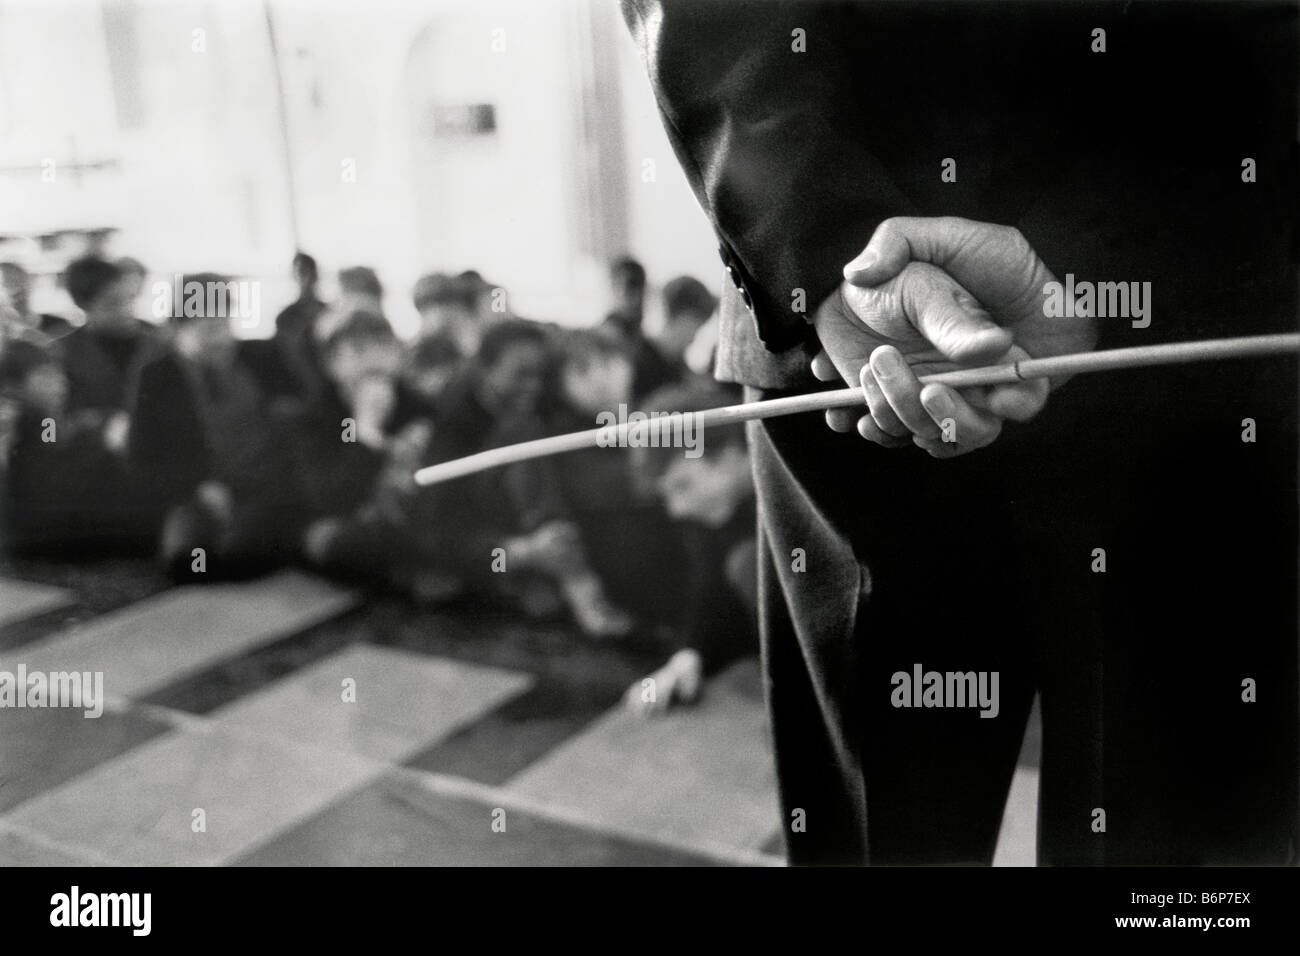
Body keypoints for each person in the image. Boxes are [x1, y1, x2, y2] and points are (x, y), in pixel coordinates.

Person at [623, 0, 1298, 865]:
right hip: (862, 342)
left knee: (1182, 863)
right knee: (887, 829)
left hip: (1208, 337)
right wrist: (824, 250)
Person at [623, 381, 758, 716]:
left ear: (729, 454)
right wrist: (689, 655)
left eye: (682, 486)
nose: (676, 509)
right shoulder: (712, 518)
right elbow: (709, 593)